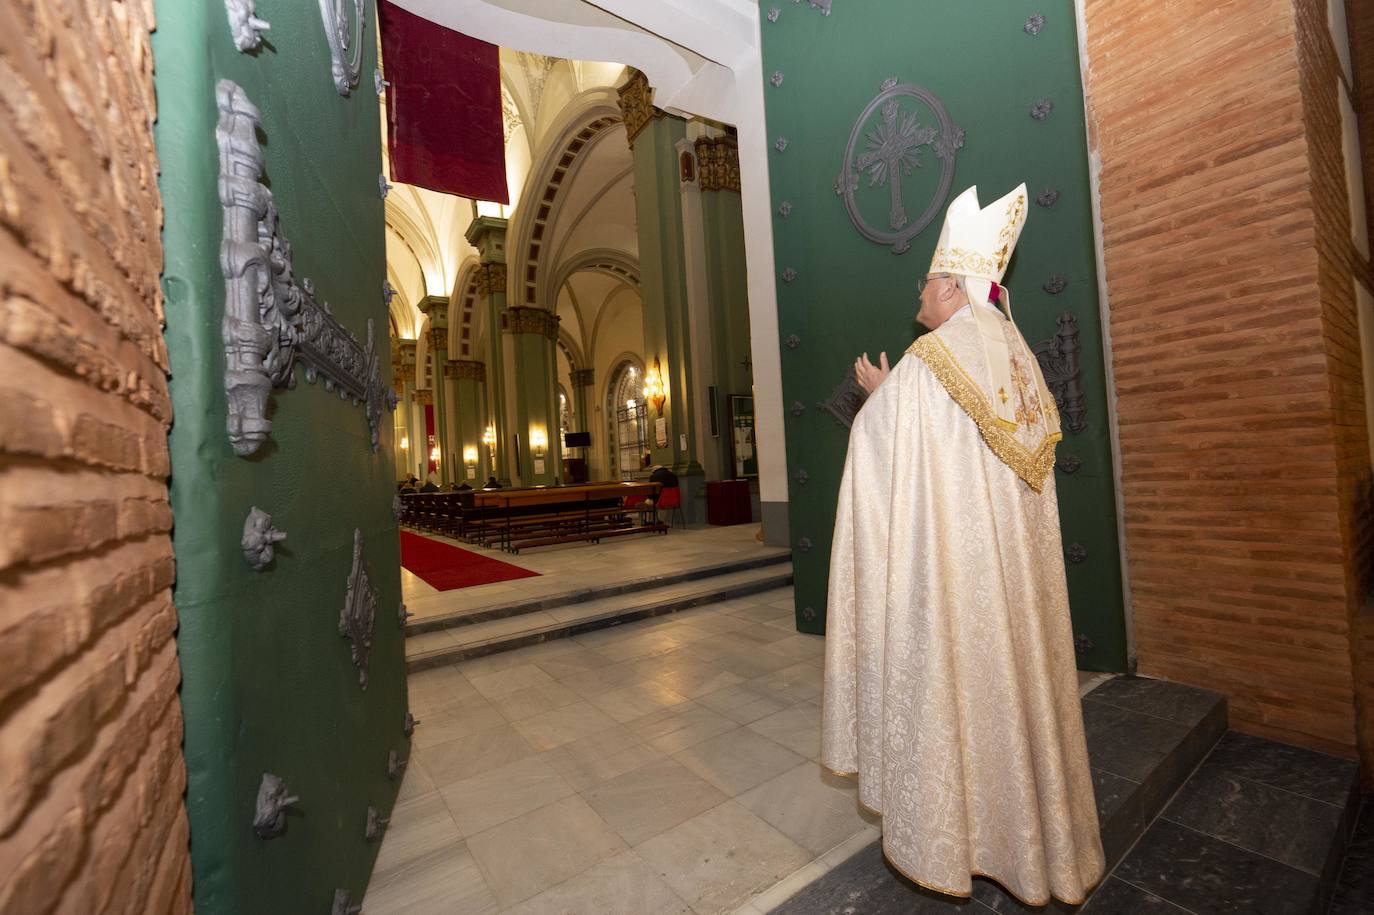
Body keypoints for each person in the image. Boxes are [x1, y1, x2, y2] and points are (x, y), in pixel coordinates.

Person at [822, 184, 1105, 907]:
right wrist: (895, 394)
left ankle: (963, 838)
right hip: (1009, 593)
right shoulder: (1015, 356)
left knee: (954, 697)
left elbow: (886, 456)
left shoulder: (931, 361)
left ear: (951, 284)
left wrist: (879, 400)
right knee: (1012, 700)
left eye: (926, 276)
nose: (919, 287)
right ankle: (1036, 841)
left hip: (951, 592)